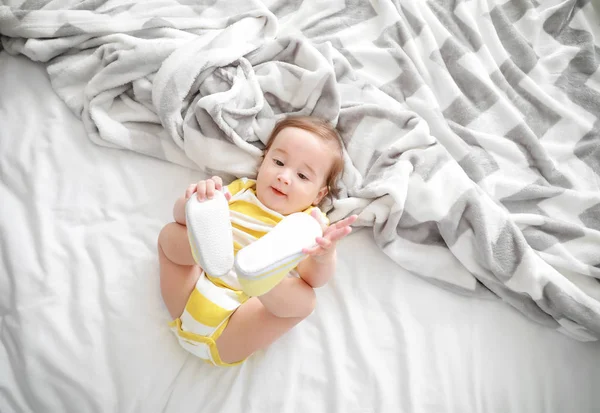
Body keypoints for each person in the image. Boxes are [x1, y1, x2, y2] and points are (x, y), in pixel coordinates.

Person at [157, 116, 358, 366]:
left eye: (302, 176)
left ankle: (261, 279)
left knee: (305, 300)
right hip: (189, 294)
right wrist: (192, 203)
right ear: (262, 163)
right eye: (278, 162)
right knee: (170, 234)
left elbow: (313, 280)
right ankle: (207, 247)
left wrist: (324, 256)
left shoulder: (309, 225)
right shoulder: (237, 191)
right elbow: (179, 220)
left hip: (236, 325)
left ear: (319, 195)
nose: (284, 177)